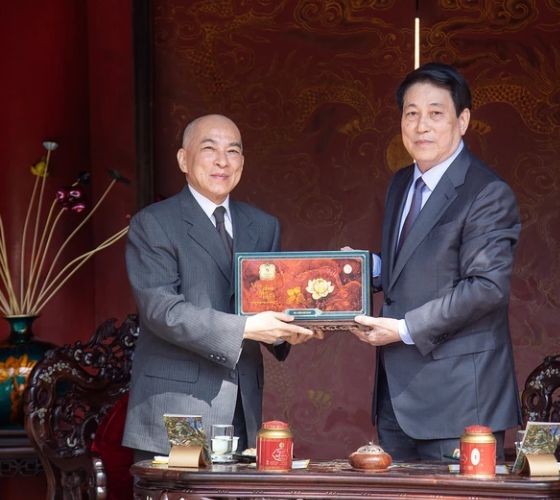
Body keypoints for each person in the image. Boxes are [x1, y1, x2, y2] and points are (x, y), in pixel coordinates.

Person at [352, 63, 522, 460]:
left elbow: (486, 288)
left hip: (461, 403)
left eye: (435, 113)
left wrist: (404, 329)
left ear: (462, 121)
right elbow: (413, 263)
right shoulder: (401, 183)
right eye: (411, 113)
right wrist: (361, 270)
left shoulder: (486, 193)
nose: (421, 125)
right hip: (398, 399)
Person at [123, 114, 313, 460]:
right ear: (184, 159)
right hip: (179, 408)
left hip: (242, 406)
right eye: (209, 149)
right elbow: (162, 311)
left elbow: (269, 303)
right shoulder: (153, 224)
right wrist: (248, 327)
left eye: (233, 151)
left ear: (242, 161)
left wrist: (291, 329)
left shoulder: (262, 225)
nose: (222, 161)